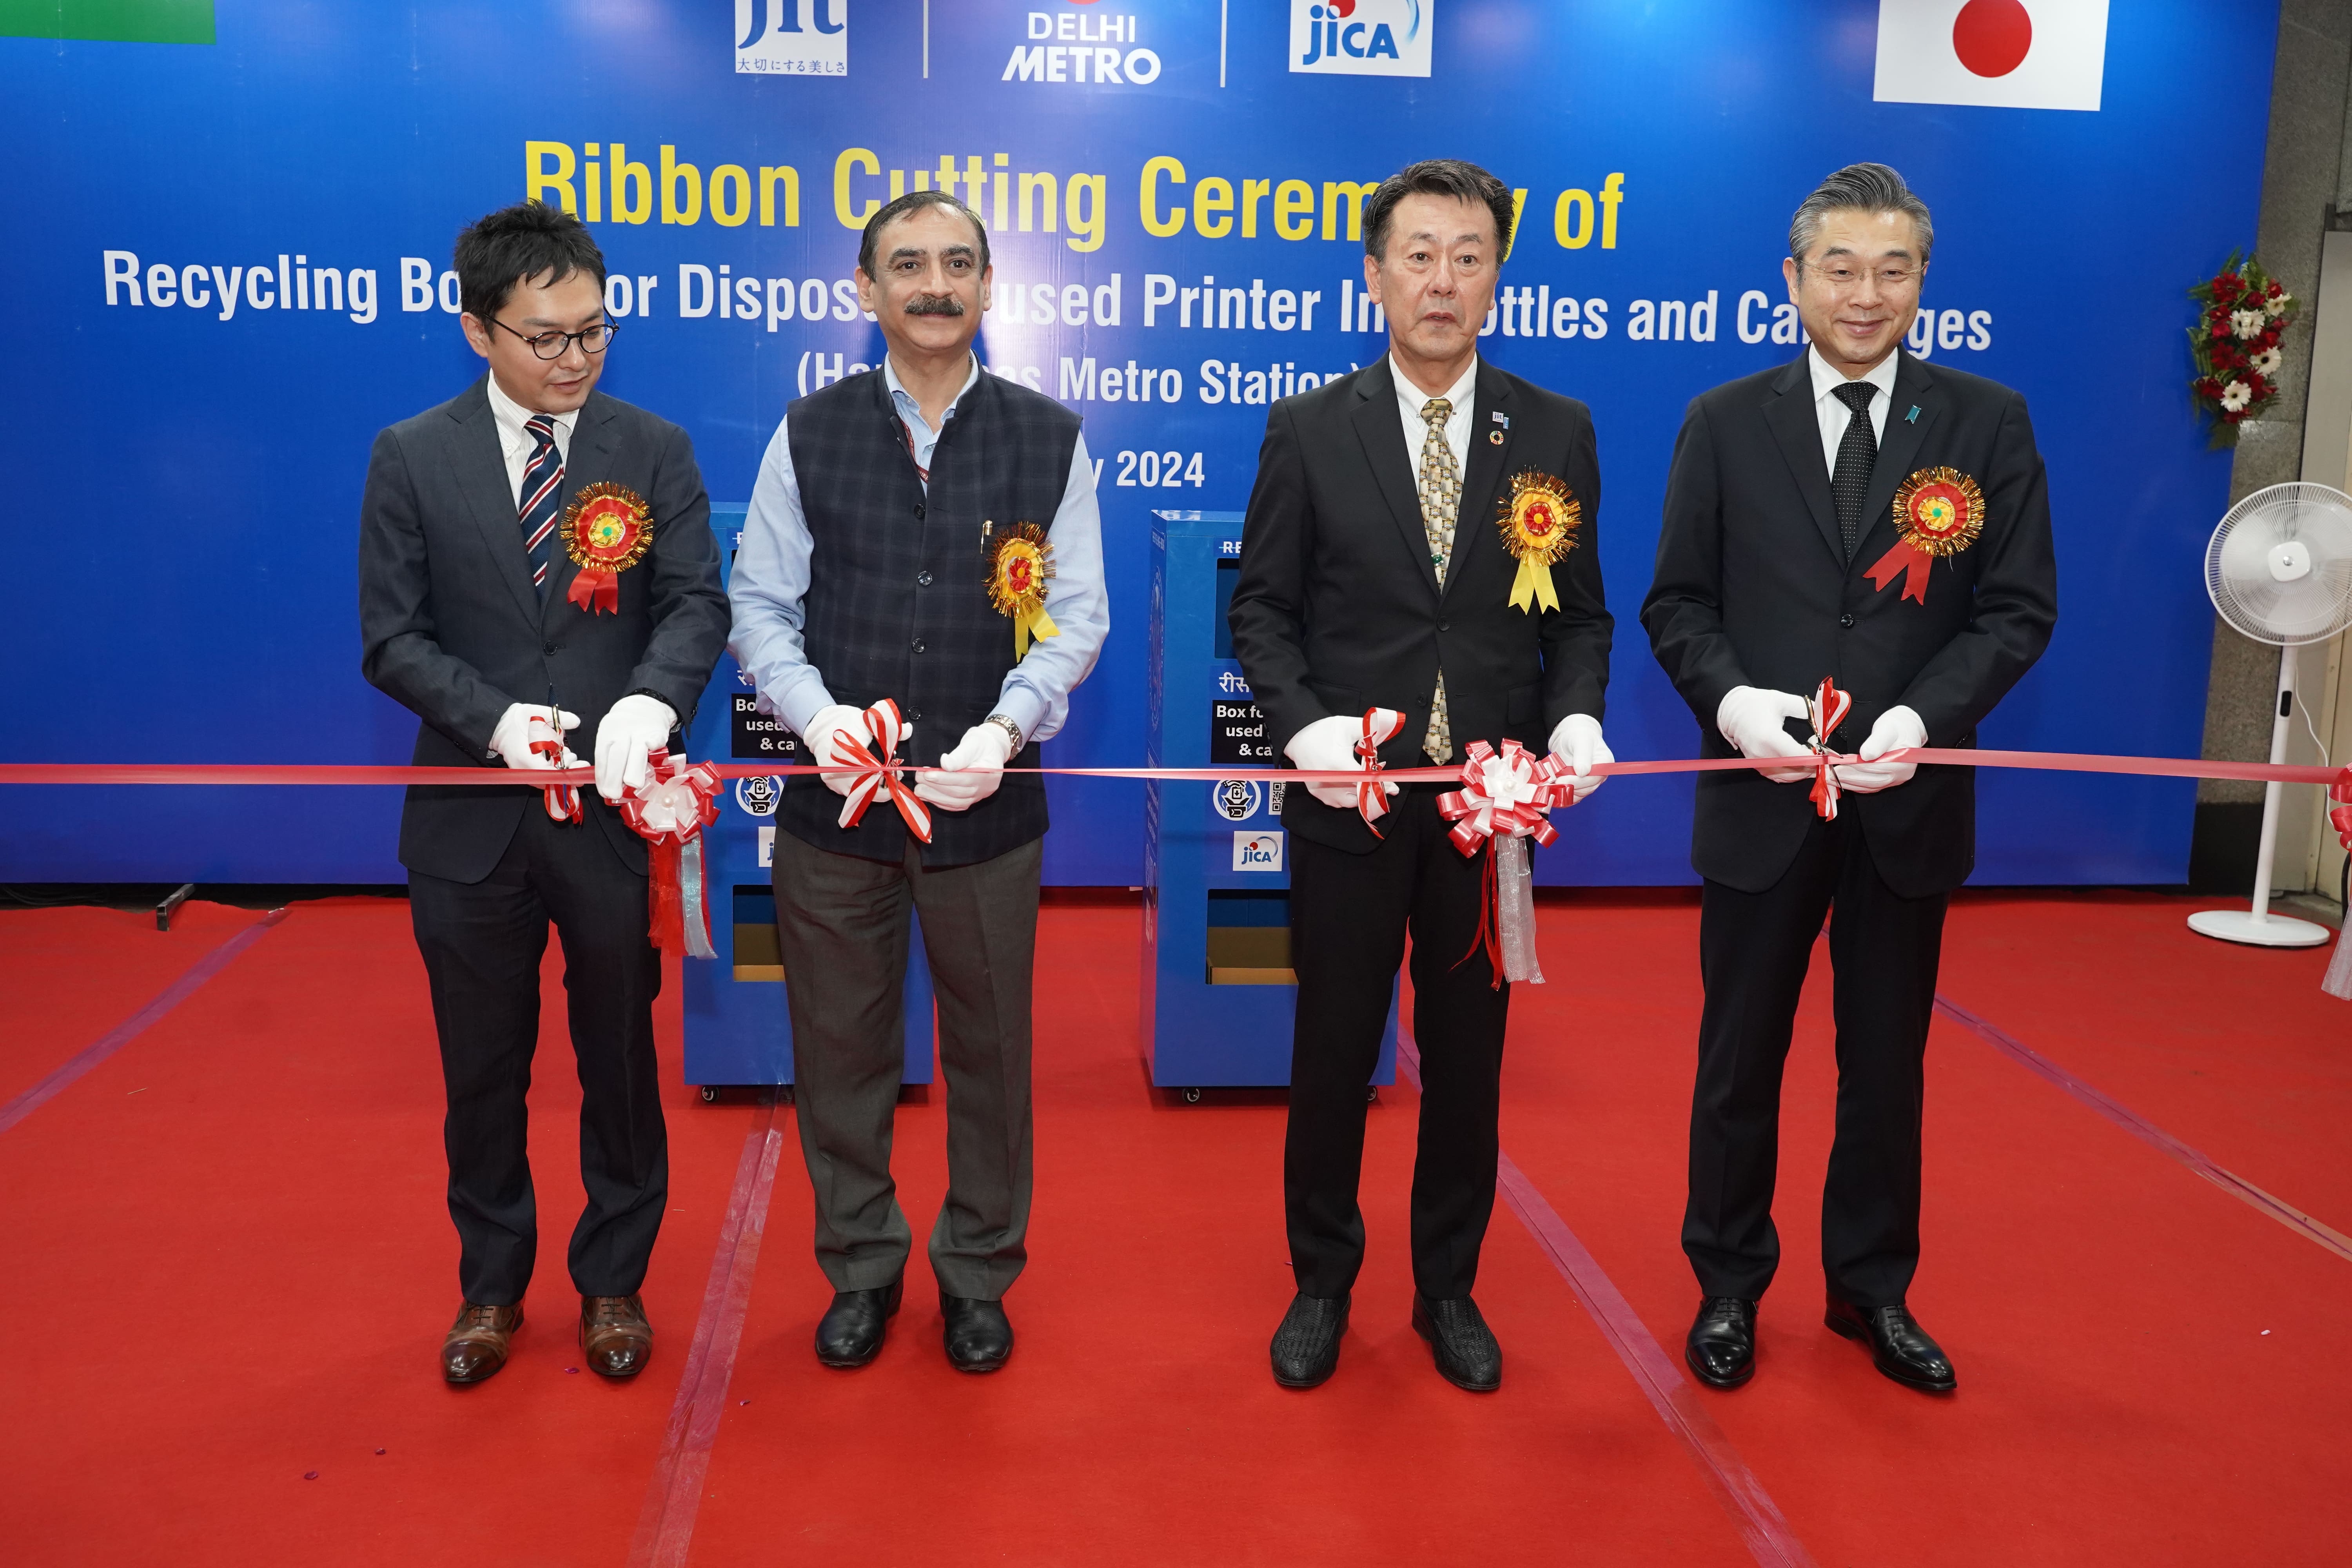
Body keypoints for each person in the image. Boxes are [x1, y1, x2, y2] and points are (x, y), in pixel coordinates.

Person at [1642, 163, 2056, 1395]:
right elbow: (1679, 601)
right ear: (1795, 279)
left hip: (1907, 804)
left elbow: (2020, 610)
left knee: (1886, 1065)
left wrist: (1923, 718)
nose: (1865, 294)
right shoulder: (1725, 419)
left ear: (1923, 281)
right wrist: (1731, 703)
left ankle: (1872, 1292)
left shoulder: (1988, 421)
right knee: (1739, 1062)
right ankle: (1727, 1284)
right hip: (1761, 799)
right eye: (1841, 267)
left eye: (1893, 269)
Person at [1228, 159, 1614, 1393]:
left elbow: (1584, 620)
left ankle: (1448, 1286)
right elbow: (1264, 613)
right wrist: (1304, 732)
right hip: (1352, 804)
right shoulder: (1309, 426)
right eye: (1419, 254)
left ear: (1498, 274)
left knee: (1468, 1059)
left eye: (1468, 256)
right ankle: (1321, 1284)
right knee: (1334, 1051)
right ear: (1374, 274)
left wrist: (1577, 724)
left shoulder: (1554, 427)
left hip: (1486, 817)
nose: (1443, 281)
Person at [729, 189, 1108, 1375]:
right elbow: (758, 605)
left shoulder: (1052, 436)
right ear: (865, 291)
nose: (933, 284)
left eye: (957, 263)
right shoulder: (806, 432)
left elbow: (1077, 616)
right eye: (907, 265)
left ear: (992, 287)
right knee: (838, 1047)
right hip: (833, 812)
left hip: (989, 815)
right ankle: (862, 1268)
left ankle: (980, 1274)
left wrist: (1008, 725)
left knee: (992, 1053)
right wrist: (815, 717)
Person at [359, 200, 728, 1385]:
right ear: (479, 331)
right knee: (484, 1067)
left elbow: (696, 605)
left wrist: (652, 704)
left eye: (594, 332)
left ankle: (614, 1282)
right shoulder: (411, 455)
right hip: (471, 823)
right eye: (546, 338)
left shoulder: (651, 445)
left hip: (614, 824)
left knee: (619, 1058)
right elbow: (389, 638)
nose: (575, 359)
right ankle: (490, 1288)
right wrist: (491, 719)